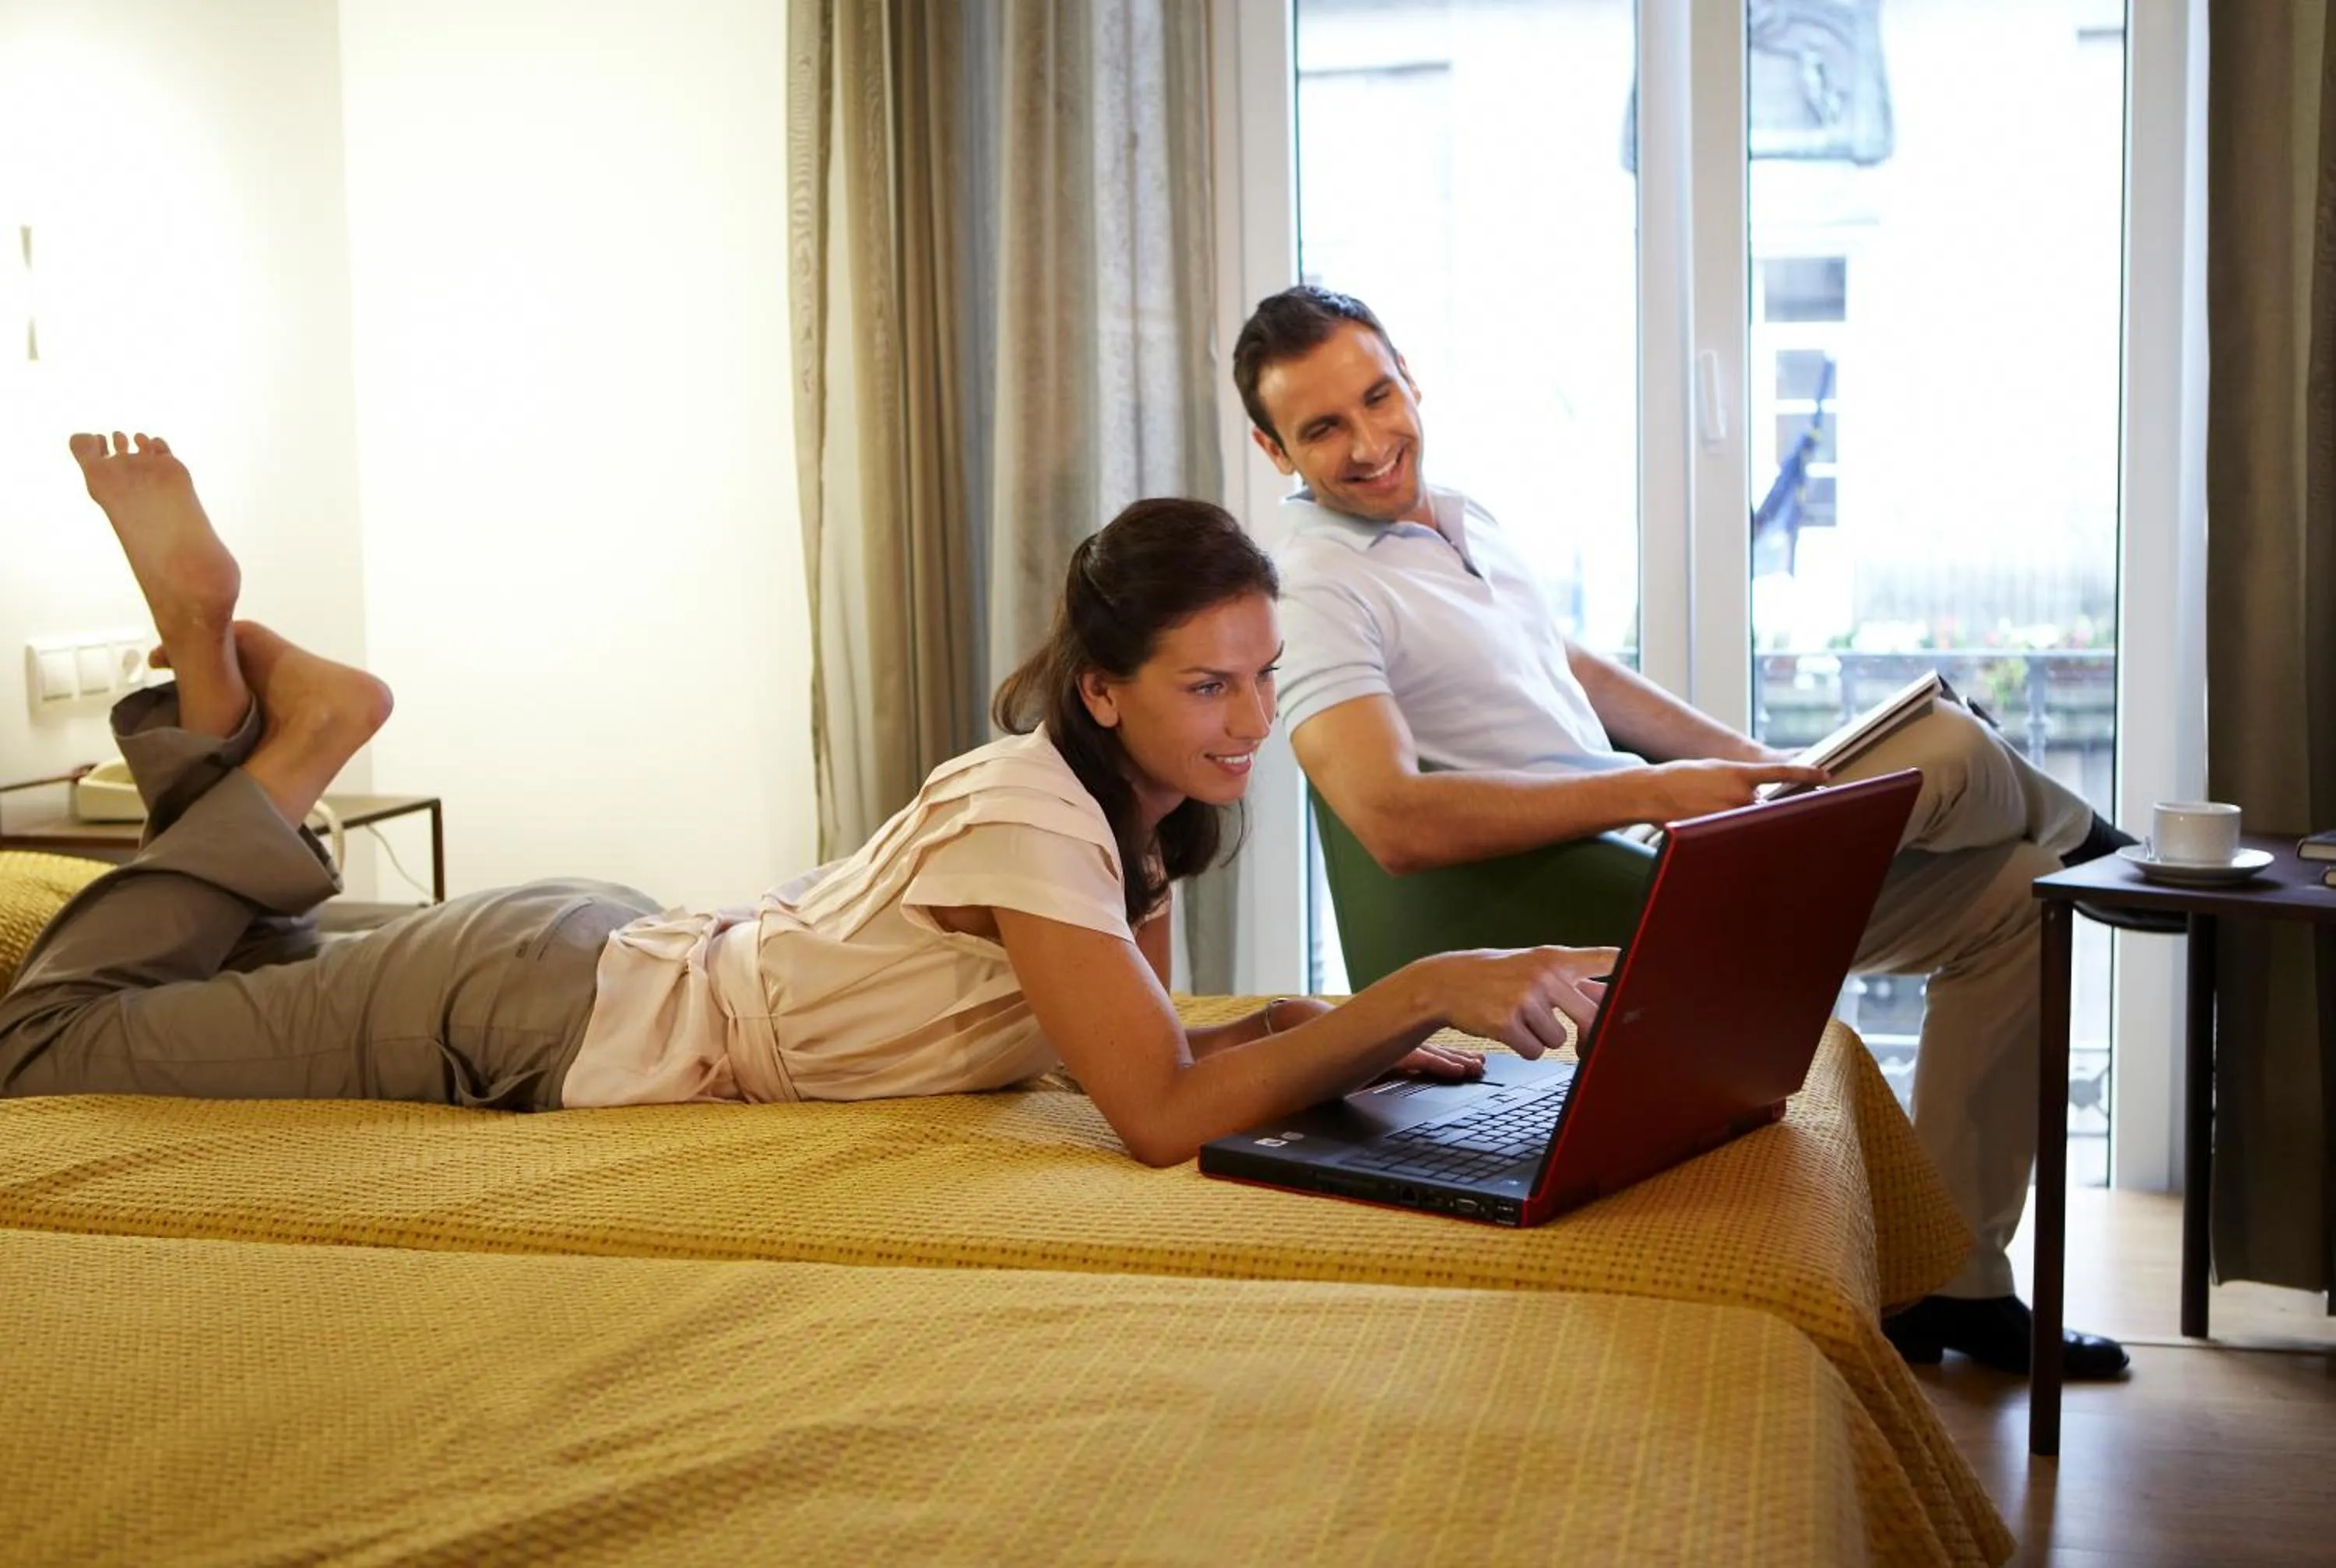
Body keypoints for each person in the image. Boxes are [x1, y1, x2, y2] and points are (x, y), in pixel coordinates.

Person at [0, 432, 1613, 1171]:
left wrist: (1368, 1035)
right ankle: (296, 736)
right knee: (42, 1043)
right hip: (530, 1013)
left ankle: (222, 692)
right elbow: (1160, 1116)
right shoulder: (1033, 813)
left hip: (590, 966)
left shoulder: (1119, 814)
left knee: (202, 969)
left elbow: (1147, 1042)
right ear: (1106, 685)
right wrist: (1404, 989)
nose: (1257, 720)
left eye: (1268, 674)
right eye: (1214, 684)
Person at [1233, 284, 2138, 1379]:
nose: (1370, 441)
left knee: (2016, 898)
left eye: (1378, 396)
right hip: (1602, 900)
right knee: (1947, 746)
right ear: (1272, 447)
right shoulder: (1314, 588)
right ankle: (2119, 854)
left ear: (1411, 378)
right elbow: (1390, 820)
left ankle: (1950, 1283)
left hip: (1660, 857)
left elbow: (1573, 673)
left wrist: (1751, 768)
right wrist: (1656, 795)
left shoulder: (1458, 517)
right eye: (1324, 427)